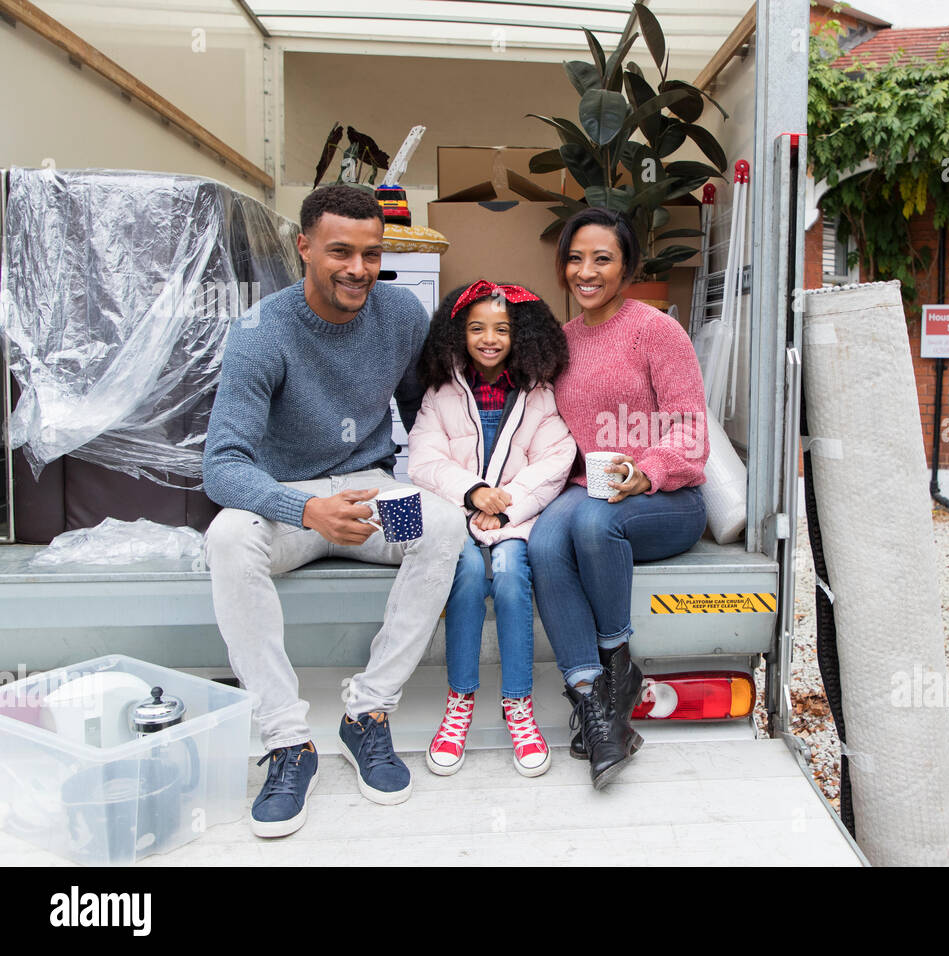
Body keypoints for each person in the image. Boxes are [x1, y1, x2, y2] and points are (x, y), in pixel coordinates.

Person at [202, 184, 464, 838]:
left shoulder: (402, 314)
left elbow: (420, 414)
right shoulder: (261, 332)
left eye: (371, 254)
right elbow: (223, 465)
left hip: (369, 498)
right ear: (304, 248)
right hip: (289, 506)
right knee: (229, 538)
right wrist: (306, 508)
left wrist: (458, 481)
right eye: (340, 252)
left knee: (440, 525)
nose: (358, 269)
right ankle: (287, 741)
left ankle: (368, 713)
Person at [528, 207, 710, 790]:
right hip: (588, 489)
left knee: (590, 527)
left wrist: (648, 471)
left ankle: (617, 667)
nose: (586, 271)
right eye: (576, 259)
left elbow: (689, 428)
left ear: (626, 266)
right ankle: (593, 700)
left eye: (602, 259)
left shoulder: (656, 330)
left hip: (666, 496)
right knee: (543, 540)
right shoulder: (560, 342)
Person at [405, 280, 575, 778]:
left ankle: (517, 704)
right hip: (457, 512)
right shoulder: (441, 394)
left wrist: (507, 509)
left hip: (517, 517)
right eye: (477, 327)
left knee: (508, 569)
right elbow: (424, 459)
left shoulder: (539, 394)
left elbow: (556, 459)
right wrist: (472, 493)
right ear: (457, 334)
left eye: (503, 329)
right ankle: (460, 699)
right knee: (460, 571)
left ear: (522, 336)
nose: (490, 338)